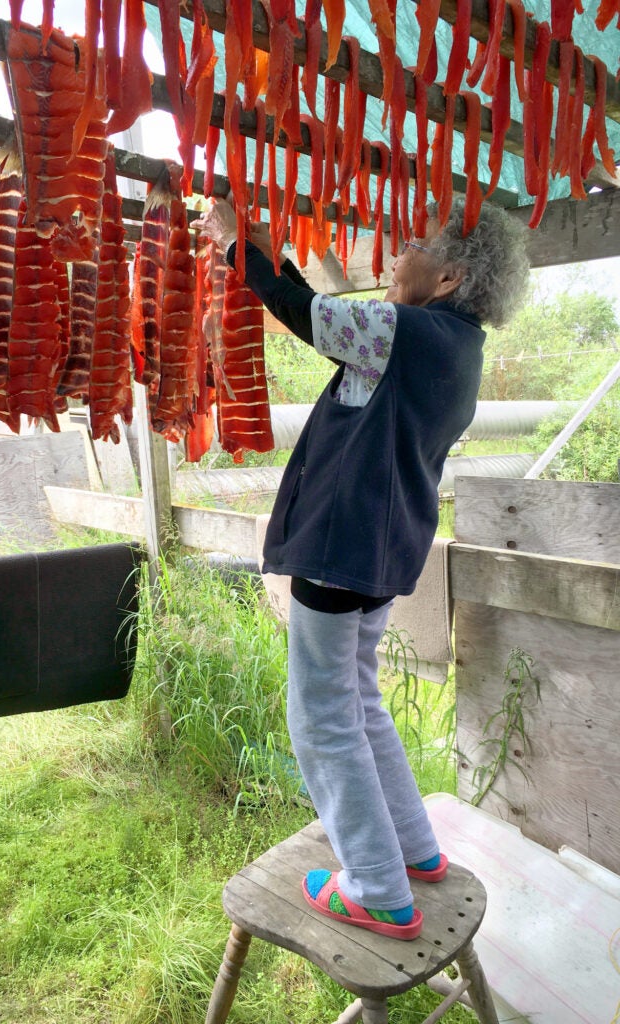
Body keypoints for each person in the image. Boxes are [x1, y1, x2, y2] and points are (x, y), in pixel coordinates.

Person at [192, 197, 529, 940]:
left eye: (408, 246)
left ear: (448, 276)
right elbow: (319, 316)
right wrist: (265, 250)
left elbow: (306, 314)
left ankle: (376, 885)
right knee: (359, 697)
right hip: (380, 550)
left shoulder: (411, 335)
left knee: (319, 716)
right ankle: (413, 850)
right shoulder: (455, 344)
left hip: (344, 543)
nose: (390, 257)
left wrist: (235, 248)